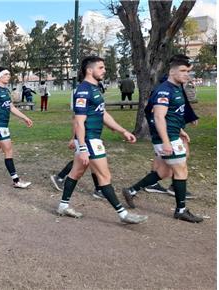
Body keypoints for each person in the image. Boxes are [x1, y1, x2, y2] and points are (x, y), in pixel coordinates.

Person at [56, 56, 148, 224]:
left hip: (91, 139)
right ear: (89, 70)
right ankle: (123, 214)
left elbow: (103, 114)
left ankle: (63, 205)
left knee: (75, 173)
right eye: (101, 67)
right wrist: (82, 147)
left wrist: (122, 131)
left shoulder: (94, 88)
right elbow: (78, 121)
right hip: (90, 140)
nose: (104, 70)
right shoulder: (83, 90)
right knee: (104, 176)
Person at [121, 56, 203, 223]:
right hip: (167, 138)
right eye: (183, 71)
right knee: (181, 170)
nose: (186, 74)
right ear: (172, 71)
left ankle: (131, 191)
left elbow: (172, 114)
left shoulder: (177, 88)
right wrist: (166, 141)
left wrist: (181, 130)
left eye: (188, 71)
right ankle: (181, 210)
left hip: (172, 134)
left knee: (164, 172)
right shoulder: (164, 90)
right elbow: (158, 117)